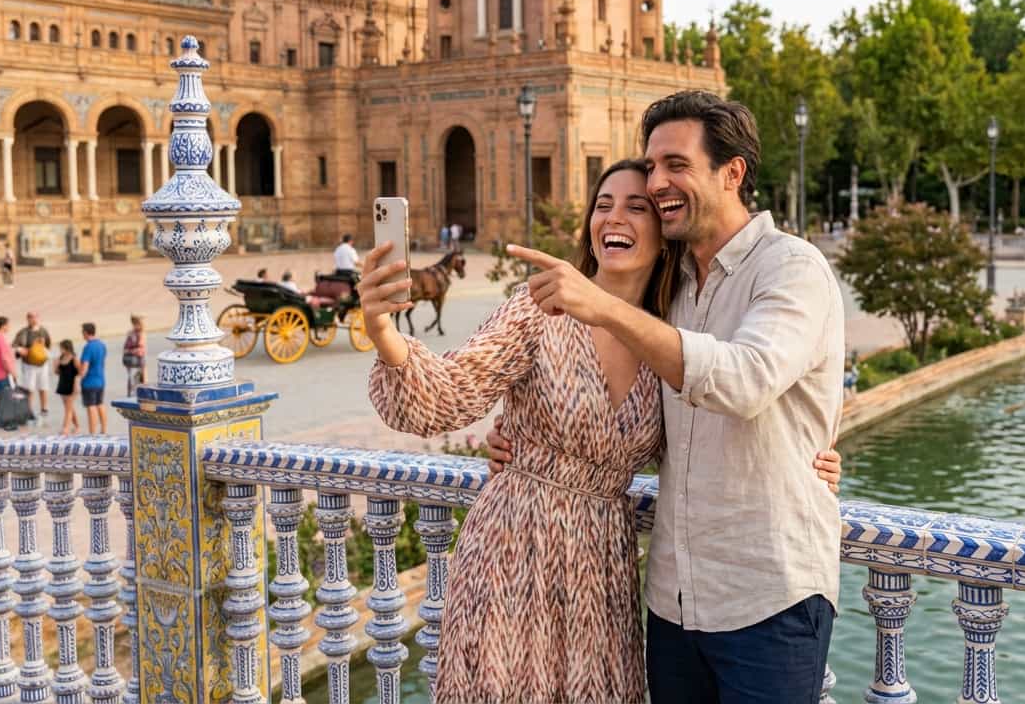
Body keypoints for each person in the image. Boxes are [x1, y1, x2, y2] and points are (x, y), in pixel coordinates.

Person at [361, 158, 843, 704]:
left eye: (638, 207)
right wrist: (383, 332)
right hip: (514, 550)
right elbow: (448, 395)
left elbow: (733, 404)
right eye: (603, 204)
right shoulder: (541, 309)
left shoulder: (673, 333)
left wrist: (816, 454)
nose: (614, 217)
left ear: (664, 235)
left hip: (601, 572)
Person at [497, 91, 845, 703]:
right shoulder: (673, 286)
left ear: (732, 172)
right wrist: (522, 436)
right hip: (673, 602)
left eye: (675, 165)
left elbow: (745, 381)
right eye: (652, 165)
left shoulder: (792, 269)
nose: (657, 182)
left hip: (768, 597)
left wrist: (600, 304)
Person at [12, 311, 52, 421]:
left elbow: (49, 345)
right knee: (30, 389)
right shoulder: (23, 332)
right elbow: (14, 346)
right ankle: (28, 410)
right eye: (30, 317)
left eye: (35, 317)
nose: (33, 319)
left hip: (43, 364)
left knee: (43, 387)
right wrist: (21, 350)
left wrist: (43, 350)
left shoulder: (43, 331)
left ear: (38, 318)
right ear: (27, 319)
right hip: (29, 365)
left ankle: (44, 409)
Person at [78, 323, 108, 434]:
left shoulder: (88, 347)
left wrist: (79, 378)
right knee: (100, 404)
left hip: (89, 381)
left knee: (91, 407)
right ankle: (104, 430)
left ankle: (92, 433)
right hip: (100, 379)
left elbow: (85, 366)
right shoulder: (102, 345)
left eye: (82, 333)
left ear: (86, 332)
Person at [54, 340, 80, 436]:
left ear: (67, 348)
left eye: (61, 348)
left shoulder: (74, 359)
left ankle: (65, 428)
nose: (60, 350)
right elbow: (57, 372)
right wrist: (56, 365)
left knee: (68, 409)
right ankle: (77, 426)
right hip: (63, 385)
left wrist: (76, 386)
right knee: (70, 408)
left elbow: (79, 373)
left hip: (72, 386)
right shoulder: (60, 358)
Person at [123, 315, 148, 396]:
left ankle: (139, 394)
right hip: (134, 360)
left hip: (138, 360)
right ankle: (133, 395)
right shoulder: (133, 334)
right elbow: (139, 347)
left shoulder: (139, 333)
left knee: (138, 379)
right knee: (134, 379)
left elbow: (140, 347)